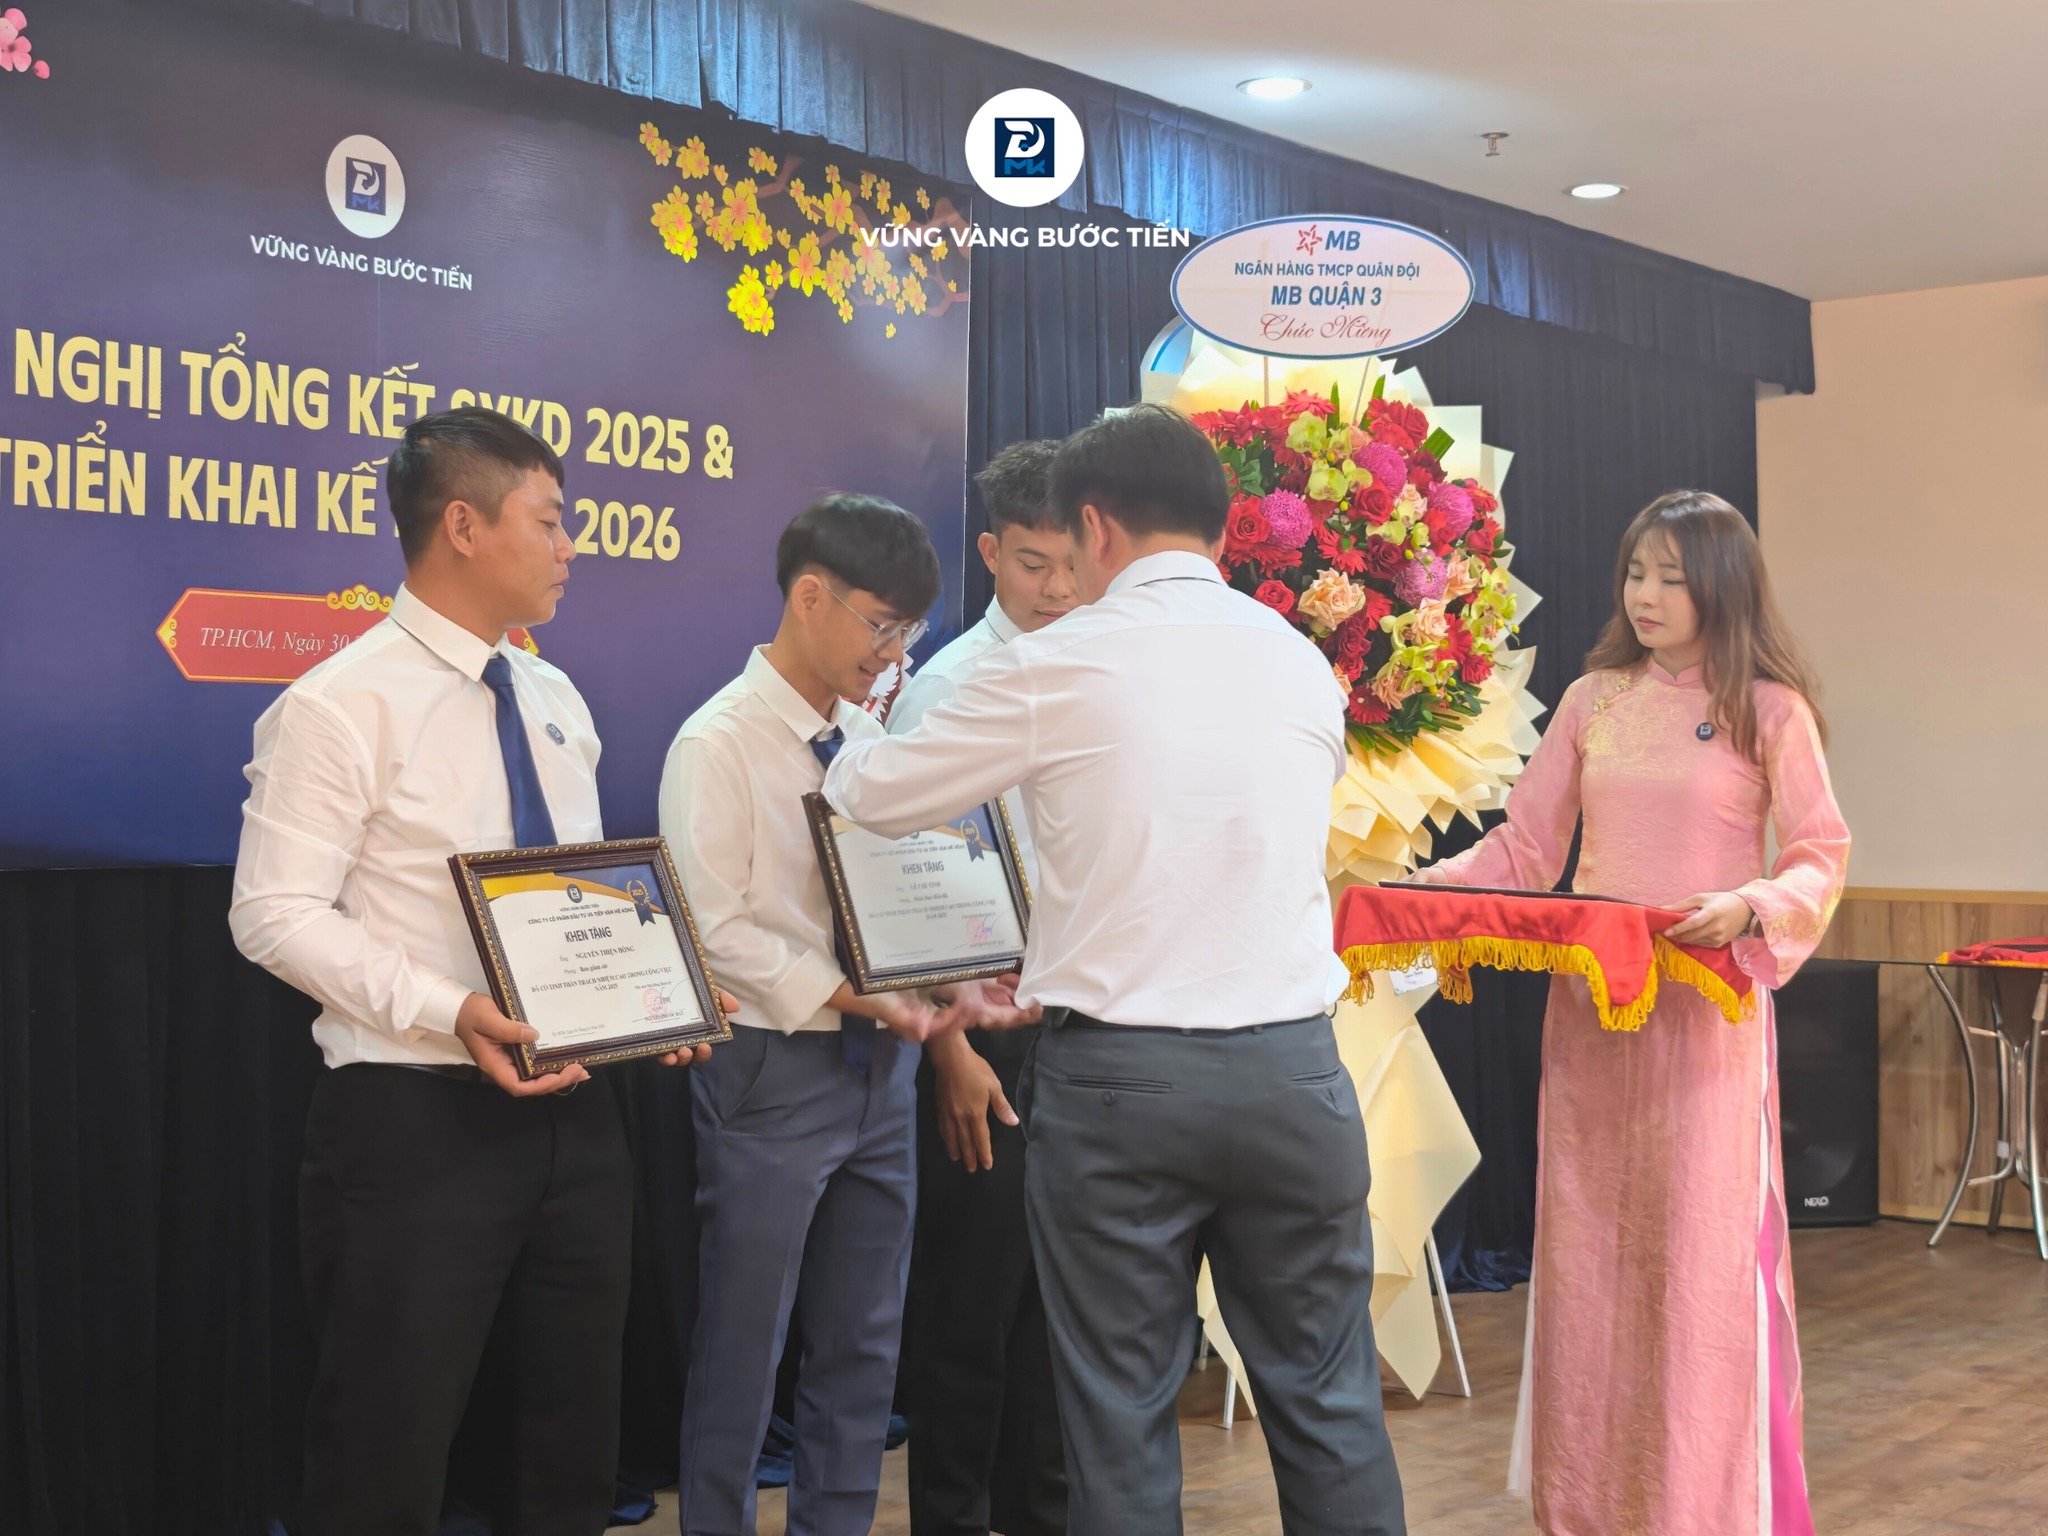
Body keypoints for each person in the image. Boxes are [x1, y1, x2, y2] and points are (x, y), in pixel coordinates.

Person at [824, 405, 1408, 1536]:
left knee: (1118, 1419)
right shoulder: (1299, 662)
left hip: (1121, 1090)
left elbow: (873, 797)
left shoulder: (1059, 660)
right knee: (1330, 1404)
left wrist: (860, 711)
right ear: (1222, 528)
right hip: (1295, 1075)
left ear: (1093, 527)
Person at [230, 407, 716, 1536]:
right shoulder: (338, 705)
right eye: (549, 521)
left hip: (576, 1118)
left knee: (569, 1442)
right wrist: (452, 1010)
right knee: (384, 1446)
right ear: (462, 525)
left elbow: (579, 900)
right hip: (413, 1125)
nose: (569, 547)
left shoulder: (553, 698)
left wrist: (658, 993)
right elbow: (271, 914)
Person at [1407, 490, 1850, 1536]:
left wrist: (1749, 903)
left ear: (1722, 588)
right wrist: (1419, 891)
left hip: (1703, 1023)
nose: (1645, 594)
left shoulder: (1768, 709)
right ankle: (1586, 1507)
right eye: (1635, 573)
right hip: (1591, 1024)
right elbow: (1525, 848)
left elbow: (1819, 854)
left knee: (1693, 1265)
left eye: (1670, 577)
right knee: (1589, 1261)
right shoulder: (1590, 701)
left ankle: (1696, 1508)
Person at [659, 494, 1030, 1536]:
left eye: (909, 630)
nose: (893, 652)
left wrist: (953, 981)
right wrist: (859, 994)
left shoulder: (867, 741)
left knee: (864, 1341)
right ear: (809, 598)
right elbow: (711, 930)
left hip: (882, 1069)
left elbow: (912, 894)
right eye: (881, 624)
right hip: (772, 1068)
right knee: (746, 1343)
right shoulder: (717, 743)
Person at [892, 440, 1077, 1536]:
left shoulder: (1099, 670)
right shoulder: (950, 688)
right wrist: (949, 1045)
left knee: (1056, 1316)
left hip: (1082, 1024)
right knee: (969, 1311)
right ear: (991, 553)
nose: (1054, 590)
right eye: (1032, 566)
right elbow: (907, 882)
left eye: (1070, 566)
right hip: (982, 1031)